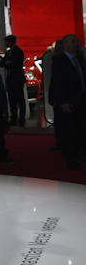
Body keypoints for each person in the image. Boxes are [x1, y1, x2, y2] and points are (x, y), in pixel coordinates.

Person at [48, 34, 86, 170]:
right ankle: (70, 158)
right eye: (73, 41)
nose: (76, 43)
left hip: (82, 101)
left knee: (81, 130)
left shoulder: (80, 59)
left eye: (77, 41)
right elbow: (58, 83)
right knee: (70, 131)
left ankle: (78, 154)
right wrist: (62, 102)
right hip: (69, 102)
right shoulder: (59, 60)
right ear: (65, 44)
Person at [0, 35, 26, 126]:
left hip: (18, 79)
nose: (4, 43)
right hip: (10, 79)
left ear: (10, 42)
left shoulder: (19, 52)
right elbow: (2, 63)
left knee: (20, 99)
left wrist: (8, 63)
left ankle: (21, 118)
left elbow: (15, 64)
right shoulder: (8, 52)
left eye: (5, 42)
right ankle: (13, 118)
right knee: (12, 99)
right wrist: (8, 63)